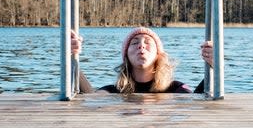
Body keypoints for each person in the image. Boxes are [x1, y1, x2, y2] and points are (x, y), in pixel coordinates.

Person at [72, 27, 214, 94]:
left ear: (159, 55)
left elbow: (196, 102)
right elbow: (90, 100)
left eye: (148, 42)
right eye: (134, 43)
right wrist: (71, 56)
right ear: (126, 56)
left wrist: (214, 65)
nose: (141, 45)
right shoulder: (113, 91)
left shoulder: (176, 89)